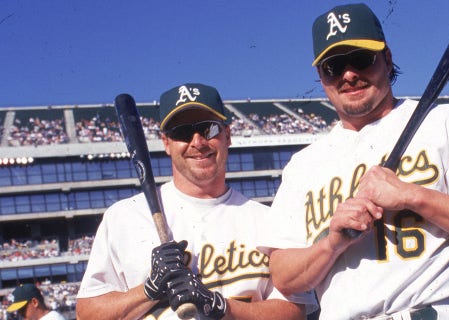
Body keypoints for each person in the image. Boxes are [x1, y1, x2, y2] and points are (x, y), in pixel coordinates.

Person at [259, 3, 449, 320]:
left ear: (387, 59)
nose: (348, 74)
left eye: (361, 58)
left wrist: (412, 195)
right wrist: (331, 243)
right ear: (320, 76)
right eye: (333, 66)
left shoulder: (446, 122)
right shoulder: (302, 165)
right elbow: (284, 276)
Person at [76, 83, 317, 320]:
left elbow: (294, 313)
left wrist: (221, 307)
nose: (198, 142)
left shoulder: (266, 220)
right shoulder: (124, 216)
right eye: (182, 132)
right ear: (167, 143)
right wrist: (148, 290)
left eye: (209, 129)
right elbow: (87, 314)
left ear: (228, 135)